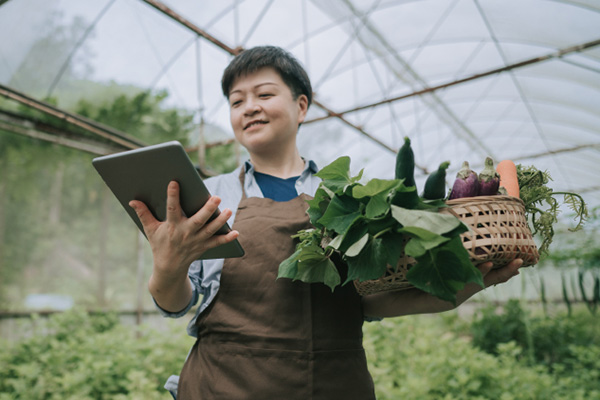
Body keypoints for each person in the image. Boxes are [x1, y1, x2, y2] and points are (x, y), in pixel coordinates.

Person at [129, 45, 524, 400]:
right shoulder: (207, 196)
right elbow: (176, 304)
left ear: (301, 106)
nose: (249, 107)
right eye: (236, 102)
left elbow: (369, 300)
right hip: (223, 385)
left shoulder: (350, 197)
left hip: (333, 384)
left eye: (264, 94)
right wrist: (168, 265)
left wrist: (463, 287)